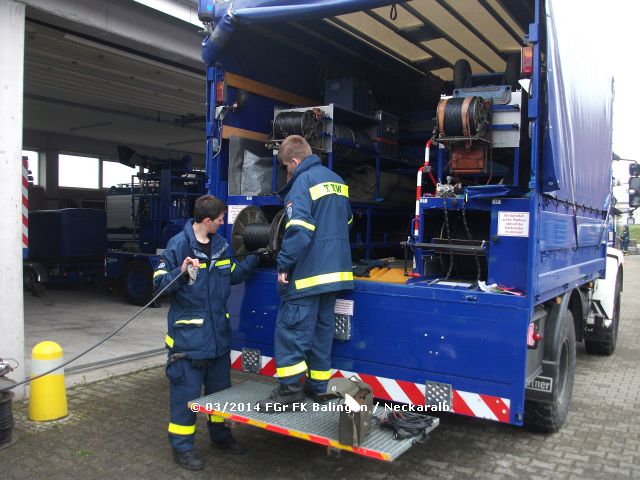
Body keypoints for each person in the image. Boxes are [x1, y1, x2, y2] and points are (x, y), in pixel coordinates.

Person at [153, 195, 259, 471]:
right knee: (186, 400)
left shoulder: (222, 246)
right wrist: (181, 271)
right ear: (207, 220)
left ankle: (221, 437)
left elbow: (233, 274)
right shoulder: (178, 246)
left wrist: (257, 256)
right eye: (221, 219)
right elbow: (159, 286)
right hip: (188, 344)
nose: (224, 223)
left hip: (218, 341)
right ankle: (182, 448)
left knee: (220, 396)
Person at [257, 135, 354, 411]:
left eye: (287, 167)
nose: (288, 172)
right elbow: (347, 221)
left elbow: (299, 230)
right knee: (322, 333)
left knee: (292, 331)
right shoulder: (337, 180)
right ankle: (317, 388)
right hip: (334, 275)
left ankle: (288, 395)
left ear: (295, 161)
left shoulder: (302, 182)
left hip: (308, 274)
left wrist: (284, 263)